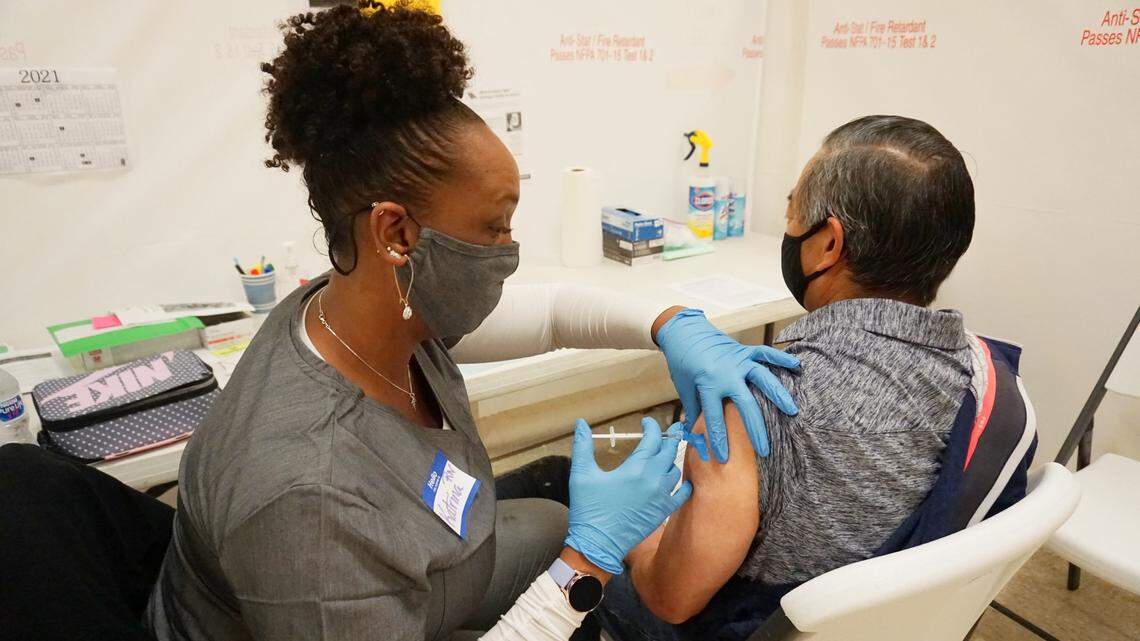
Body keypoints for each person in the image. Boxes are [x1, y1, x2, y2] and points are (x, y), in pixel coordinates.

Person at [141, 5, 799, 641]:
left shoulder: (372, 313)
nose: (508, 252)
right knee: (563, 545)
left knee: (545, 519)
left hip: (421, 581)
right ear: (396, 232)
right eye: (493, 227)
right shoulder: (305, 498)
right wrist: (587, 564)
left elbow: (550, 315)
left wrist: (673, 323)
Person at [596, 115, 1037, 640]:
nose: (787, 229)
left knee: (559, 521)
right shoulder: (994, 386)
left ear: (828, 243)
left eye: (791, 213)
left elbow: (671, 598)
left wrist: (625, 525)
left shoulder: (760, 399)